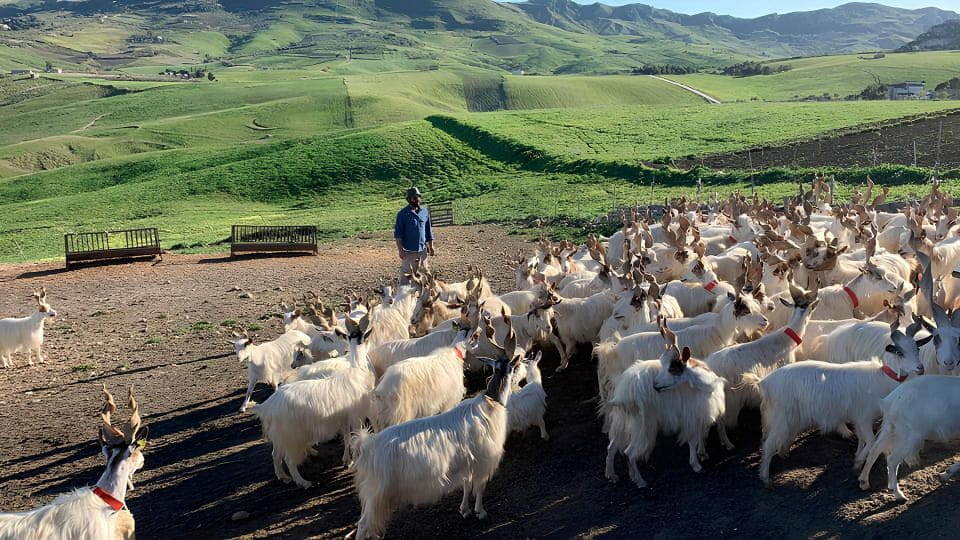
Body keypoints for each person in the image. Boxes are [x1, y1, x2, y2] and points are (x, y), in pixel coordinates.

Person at [394, 187, 434, 285]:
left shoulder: (425, 212)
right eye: (414, 198)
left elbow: (428, 230)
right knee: (406, 277)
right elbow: (398, 234)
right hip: (408, 252)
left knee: (424, 275)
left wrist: (431, 246)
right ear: (409, 199)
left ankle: (424, 298)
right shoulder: (402, 214)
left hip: (423, 251)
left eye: (418, 197)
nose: (417, 200)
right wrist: (400, 250)